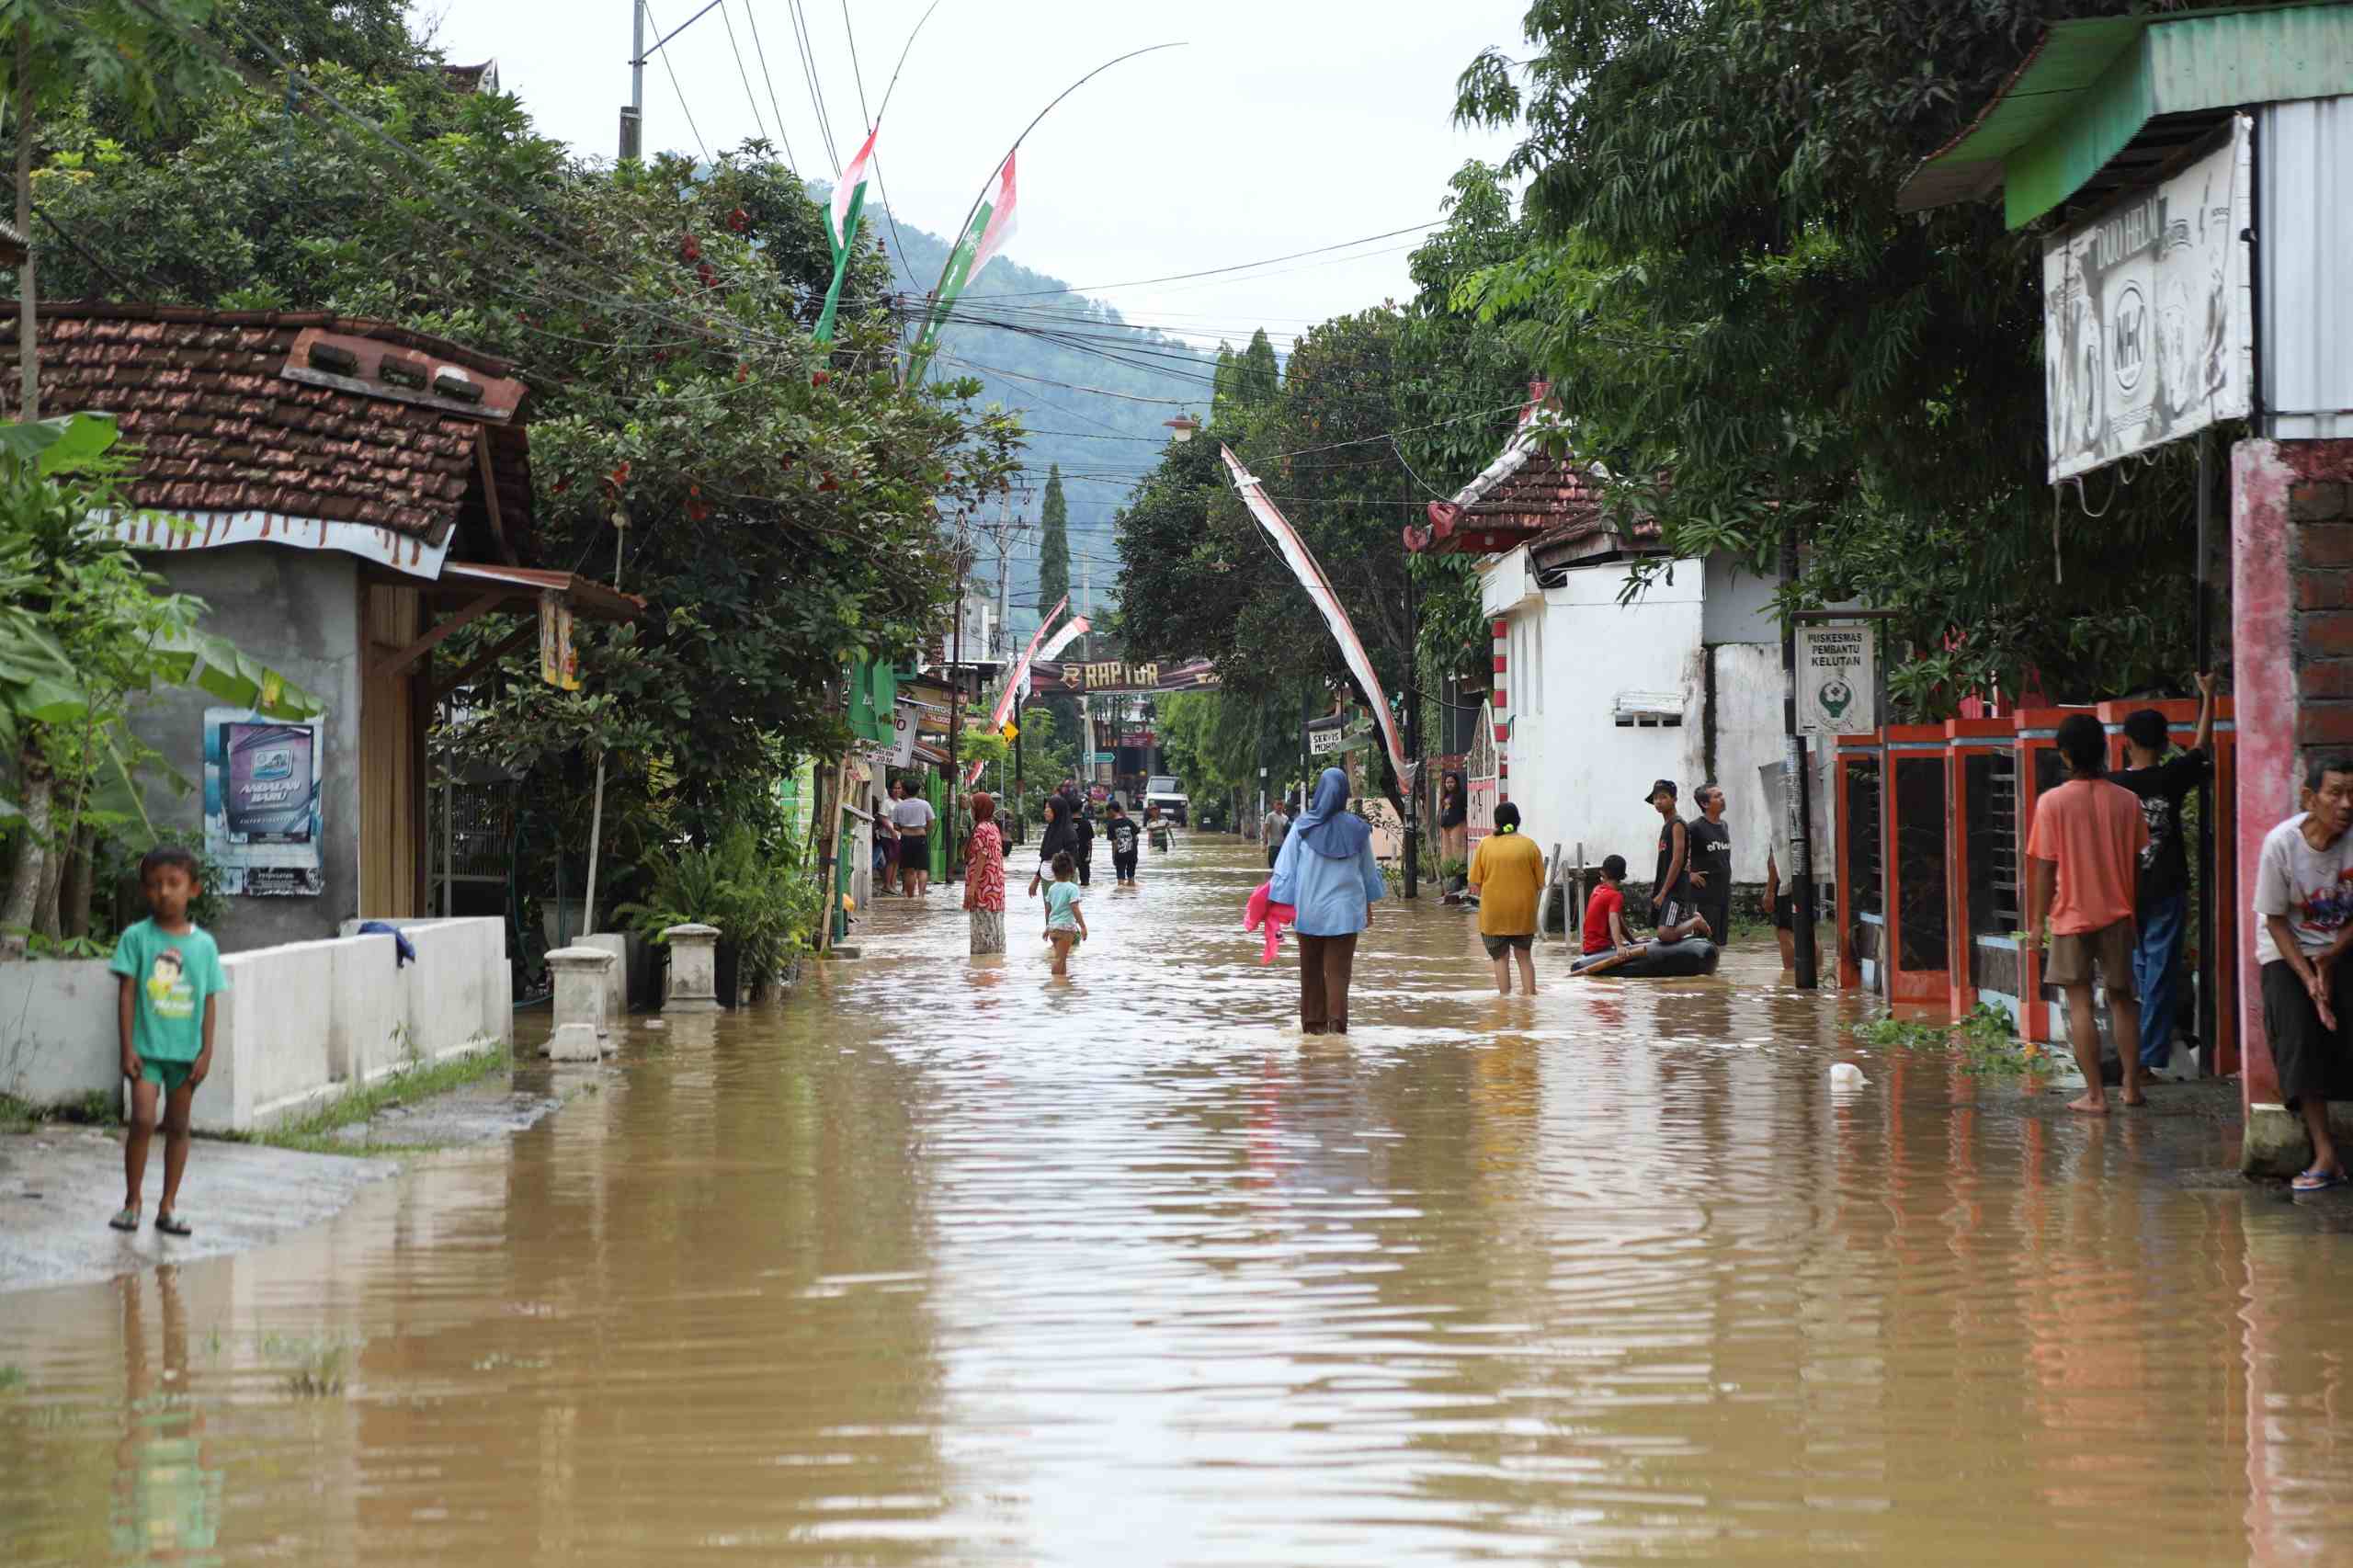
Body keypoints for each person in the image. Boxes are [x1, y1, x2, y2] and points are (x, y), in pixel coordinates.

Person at [2026, 711, 2150, 1115]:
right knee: (2122, 999)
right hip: (2119, 913)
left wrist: (2036, 924)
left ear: (2064, 754)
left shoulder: (2052, 803)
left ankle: (2095, 1095)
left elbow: (2045, 868)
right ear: (2104, 751)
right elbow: (2136, 862)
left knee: (2079, 1002)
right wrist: (2132, 909)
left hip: (2071, 915)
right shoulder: (2128, 801)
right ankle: (2131, 1087)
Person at [108, 846, 229, 1237]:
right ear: (145, 890)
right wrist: (127, 1047)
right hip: (146, 1052)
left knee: (178, 1126)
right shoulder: (136, 938)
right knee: (142, 1120)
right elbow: (127, 993)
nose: (164, 892)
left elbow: (209, 1000)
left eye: (174, 883)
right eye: (155, 884)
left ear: (193, 889)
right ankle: (132, 1202)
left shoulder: (204, 946)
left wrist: (207, 1052)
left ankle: (168, 1205)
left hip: (185, 1056)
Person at [2114, 672, 2218, 1078]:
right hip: (2167, 883)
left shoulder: (2115, 785)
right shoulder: (2171, 777)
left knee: (2141, 967)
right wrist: (2208, 696)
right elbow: (2201, 747)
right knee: (2158, 970)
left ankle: (2144, 1051)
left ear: (2127, 742)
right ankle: (2146, 1056)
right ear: (2163, 743)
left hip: (2126, 888)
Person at [2256, 757, 2353, 1190]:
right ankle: (2325, 1155)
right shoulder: (2280, 845)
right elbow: (2275, 920)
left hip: (2339, 943)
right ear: (2310, 798)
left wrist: (2330, 959)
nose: (2346, 804)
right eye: (2336, 793)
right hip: (2287, 947)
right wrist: (2310, 979)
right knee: (2298, 1034)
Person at [1268, 766, 1387, 1034]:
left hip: (1308, 912)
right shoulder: (1358, 830)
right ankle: (1337, 1028)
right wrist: (1368, 908)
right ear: (1344, 793)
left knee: (1310, 972)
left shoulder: (1301, 827)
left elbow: (1286, 871)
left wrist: (1282, 909)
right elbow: (1367, 873)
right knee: (1339, 974)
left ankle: (1313, 1028)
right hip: (1346, 914)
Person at [1468, 801, 1545, 994]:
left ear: (1496, 822)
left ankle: (1504, 1002)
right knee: (1524, 958)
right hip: (1523, 913)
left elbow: (1475, 882)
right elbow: (1540, 884)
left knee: (1500, 959)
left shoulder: (1485, 845)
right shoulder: (1530, 846)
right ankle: (1530, 999)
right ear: (1518, 821)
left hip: (1494, 913)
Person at [1687, 783, 1733, 945]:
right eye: (1717, 796)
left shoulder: (1724, 825)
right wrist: (1688, 875)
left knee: (1720, 943)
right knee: (1703, 943)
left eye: (1722, 794)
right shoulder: (1694, 828)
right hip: (1704, 896)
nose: (1722, 798)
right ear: (1705, 804)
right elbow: (1676, 855)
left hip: (1723, 894)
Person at [962, 791, 1006, 955]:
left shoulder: (981, 829)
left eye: (973, 807)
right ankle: (993, 965)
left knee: (982, 935)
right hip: (995, 889)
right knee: (995, 931)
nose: (971, 811)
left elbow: (981, 858)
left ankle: (984, 967)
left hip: (983, 889)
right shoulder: (993, 827)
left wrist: (972, 888)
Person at [1646, 780, 1693, 933]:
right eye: (1655, 798)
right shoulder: (1667, 825)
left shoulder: (1677, 824)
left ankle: (1696, 921)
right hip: (1667, 887)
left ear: (1674, 799)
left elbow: (1677, 860)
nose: (1658, 801)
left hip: (1675, 889)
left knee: (1665, 933)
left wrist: (1663, 892)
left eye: (1663, 797)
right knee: (1663, 931)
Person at [1042, 848, 1088, 977]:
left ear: (1053, 871)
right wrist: (1083, 926)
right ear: (1071, 871)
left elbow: (1048, 909)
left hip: (1053, 928)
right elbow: (1075, 908)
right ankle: (1054, 983)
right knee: (1060, 959)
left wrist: (1047, 928)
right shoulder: (1072, 888)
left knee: (1061, 959)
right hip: (1066, 928)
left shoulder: (1052, 888)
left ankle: (1062, 983)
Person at [892, 779, 936, 898]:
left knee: (909, 870)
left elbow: (895, 825)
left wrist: (905, 829)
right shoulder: (925, 804)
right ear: (918, 791)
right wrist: (923, 830)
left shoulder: (899, 806)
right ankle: (921, 896)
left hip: (906, 838)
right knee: (923, 869)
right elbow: (931, 823)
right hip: (921, 837)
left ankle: (910, 897)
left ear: (904, 791)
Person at [1029, 795, 1079, 899]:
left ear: (1057, 810)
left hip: (1064, 879)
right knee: (1049, 908)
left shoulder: (1069, 833)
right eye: (1045, 808)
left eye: (1048, 808)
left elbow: (1072, 862)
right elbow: (1044, 858)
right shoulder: (1050, 831)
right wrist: (1036, 880)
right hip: (1046, 876)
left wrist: (1065, 886)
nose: (1045, 811)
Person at [1583, 854, 1634, 955]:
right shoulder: (1615, 896)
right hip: (1600, 947)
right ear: (1623, 876)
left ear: (1602, 873)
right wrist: (1619, 946)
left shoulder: (1596, 889)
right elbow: (1613, 918)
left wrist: (1633, 941)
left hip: (1588, 947)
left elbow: (1618, 920)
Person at [1764, 848, 1798, 970]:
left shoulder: (1781, 834)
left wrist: (1770, 891)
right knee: (1808, 933)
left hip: (1785, 884)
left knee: (1784, 932)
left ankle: (1790, 975)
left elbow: (1775, 861)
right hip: (1805, 880)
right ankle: (1818, 972)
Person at [874, 779, 903, 895]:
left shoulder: (901, 802)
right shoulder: (886, 802)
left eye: (899, 788)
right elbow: (882, 818)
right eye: (895, 788)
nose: (897, 790)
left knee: (896, 860)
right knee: (890, 860)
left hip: (899, 836)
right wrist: (892, 831)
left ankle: (893, 884)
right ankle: (887, 885)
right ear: (890, 789)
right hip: (887, 836)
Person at [1106, 801, 1141, 885]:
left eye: (1107, 812)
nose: (1107, 814)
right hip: (1132, 854)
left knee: (1120, 880)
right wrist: (1135, 851)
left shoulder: (1111, 824)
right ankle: (1132, 893)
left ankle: (1121, 894)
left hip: (1120, 854)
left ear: (1111, 810)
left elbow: (1114, 842)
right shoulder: (1129, 821)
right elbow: (1136, 838)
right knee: (1131, 878)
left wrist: (1113, 857)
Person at [1438, 771, 1468, 864]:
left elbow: (1467, 810)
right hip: (1445, 825)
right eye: (1447, 782)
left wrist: (1466, 825)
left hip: (1457, 824)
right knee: (1446, 850)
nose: (1449, 784)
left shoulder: (1462, 794)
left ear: (1456, 783)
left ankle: (1458, 869)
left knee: (1457, 848)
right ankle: (1447, 870)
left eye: (1451, 782)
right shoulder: (1445, 796)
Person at [1262, 797, 1291, 869]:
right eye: (1278, 804)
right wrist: (1264, 844)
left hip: (1283, 847)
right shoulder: (1270, 816)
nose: (1279, 806)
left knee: (1282, 868)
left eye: (1281, 804)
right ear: (1274, 805)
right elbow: (1265, 830)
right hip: (1273, 846)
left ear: (1283, 805)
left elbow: (1287, 833)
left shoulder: (1286, 818)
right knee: (1273, 868)